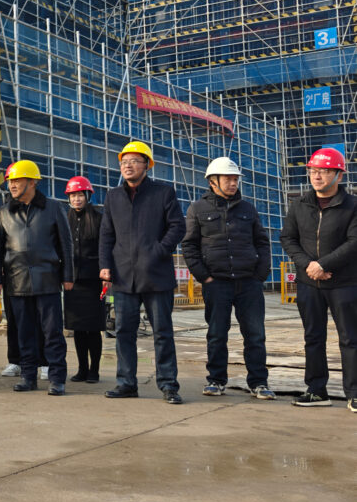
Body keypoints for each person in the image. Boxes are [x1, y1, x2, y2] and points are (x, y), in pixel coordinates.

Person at [99, 141, 185, 404]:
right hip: (123, 276)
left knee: (162, 331)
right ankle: (126, 383)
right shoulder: (113, 196)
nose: (128, 165)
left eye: (134, 161)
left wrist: (158, 251)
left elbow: (177, 227)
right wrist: (105, 265)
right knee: (124, 330)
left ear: (147, 165)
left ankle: (168, 384)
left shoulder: (163, 193)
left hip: (156, 275)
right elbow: (106, 234)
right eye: (124, 161)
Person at [181, 158, 274, 399]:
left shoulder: (248, 209)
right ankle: (216, 380)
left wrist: (260, 275)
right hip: (217, 283)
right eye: (228, 179)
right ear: (213, 182)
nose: (233, 183)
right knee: (216, 333)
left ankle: (259, 383)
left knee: (255, 334)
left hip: (248, 283)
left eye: (235, 179)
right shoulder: (197, 209)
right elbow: (189, 246)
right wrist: (204, 277)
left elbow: (262, 243)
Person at [280, 148, 357, 410]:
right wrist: (309, 266)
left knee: (350, 338)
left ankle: (354, 393)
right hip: (309, 283)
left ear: (338, 174)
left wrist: (323, 264)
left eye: (324, 171)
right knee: (313, 336)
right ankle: (316, 390)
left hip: (344, 283)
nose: (317, 176)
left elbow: (354, 242)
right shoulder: (299, 205)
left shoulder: (352, 206)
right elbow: (287, 238)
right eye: (313, 171)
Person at [0, 160, 73, 395]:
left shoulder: (54, 208)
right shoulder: (4, 212)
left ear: (32, 182)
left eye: (17, 180)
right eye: (10, 181)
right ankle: (28, 376)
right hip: (16, 282)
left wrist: (68, 275)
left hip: (47, 280)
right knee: (23, 332)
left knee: (53, 332)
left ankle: (57, 378)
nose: (12, 185)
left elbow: (66, 245)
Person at [65, 176, 106, 384]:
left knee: (93, 327)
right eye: (73, 195)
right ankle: (81, 369)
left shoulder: (99, 219)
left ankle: (94, 370)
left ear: (87, 196)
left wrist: (106, 274)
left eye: (80, 195)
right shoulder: (65, 220)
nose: (77, 199)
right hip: (72, 282)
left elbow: (105, 247)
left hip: (93, 281)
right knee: (78, 328)